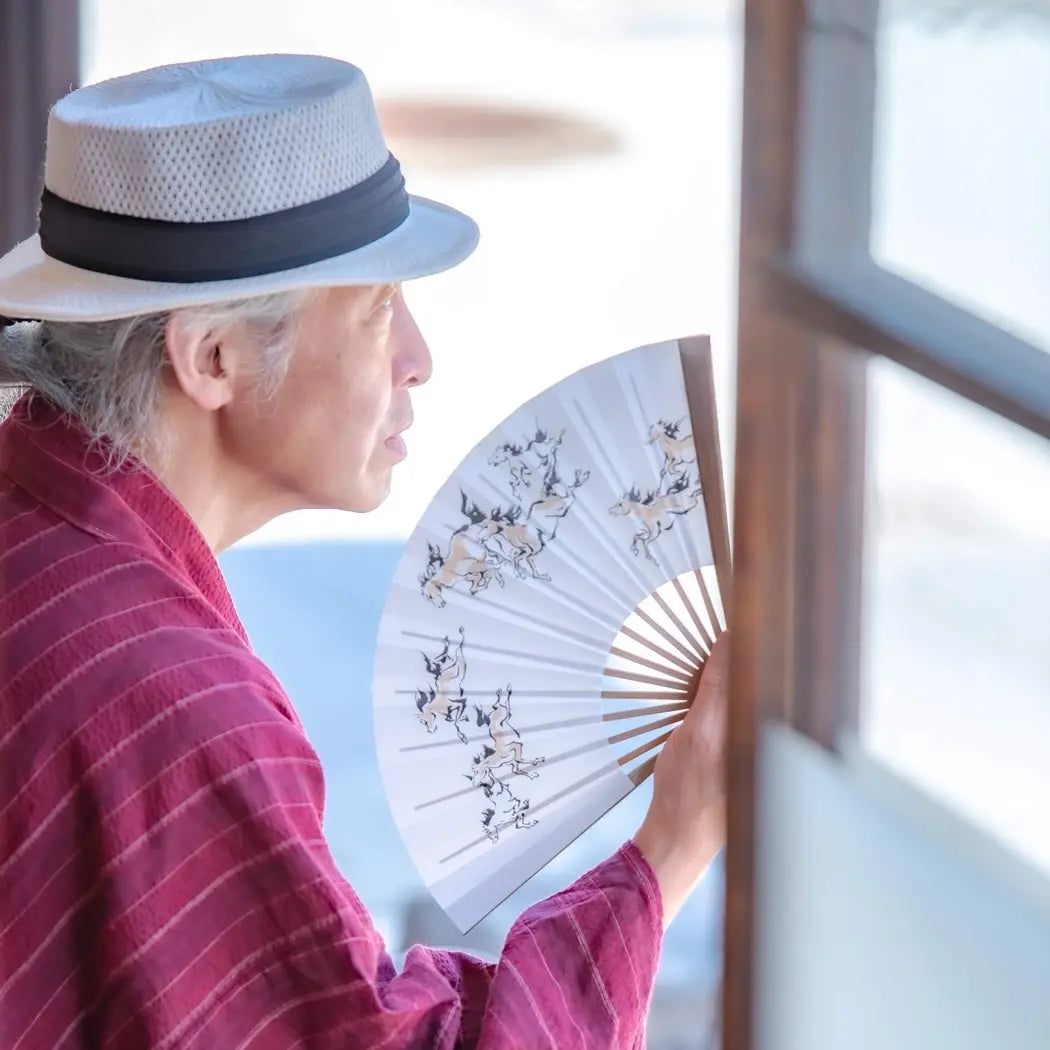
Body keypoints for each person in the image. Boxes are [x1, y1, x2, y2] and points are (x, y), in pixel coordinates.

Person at [0, 54, 727, 1049]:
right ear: (214, 358)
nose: (418, 357)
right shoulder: (170, 706)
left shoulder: (33, 520)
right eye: (378, 306)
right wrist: (673, 847)